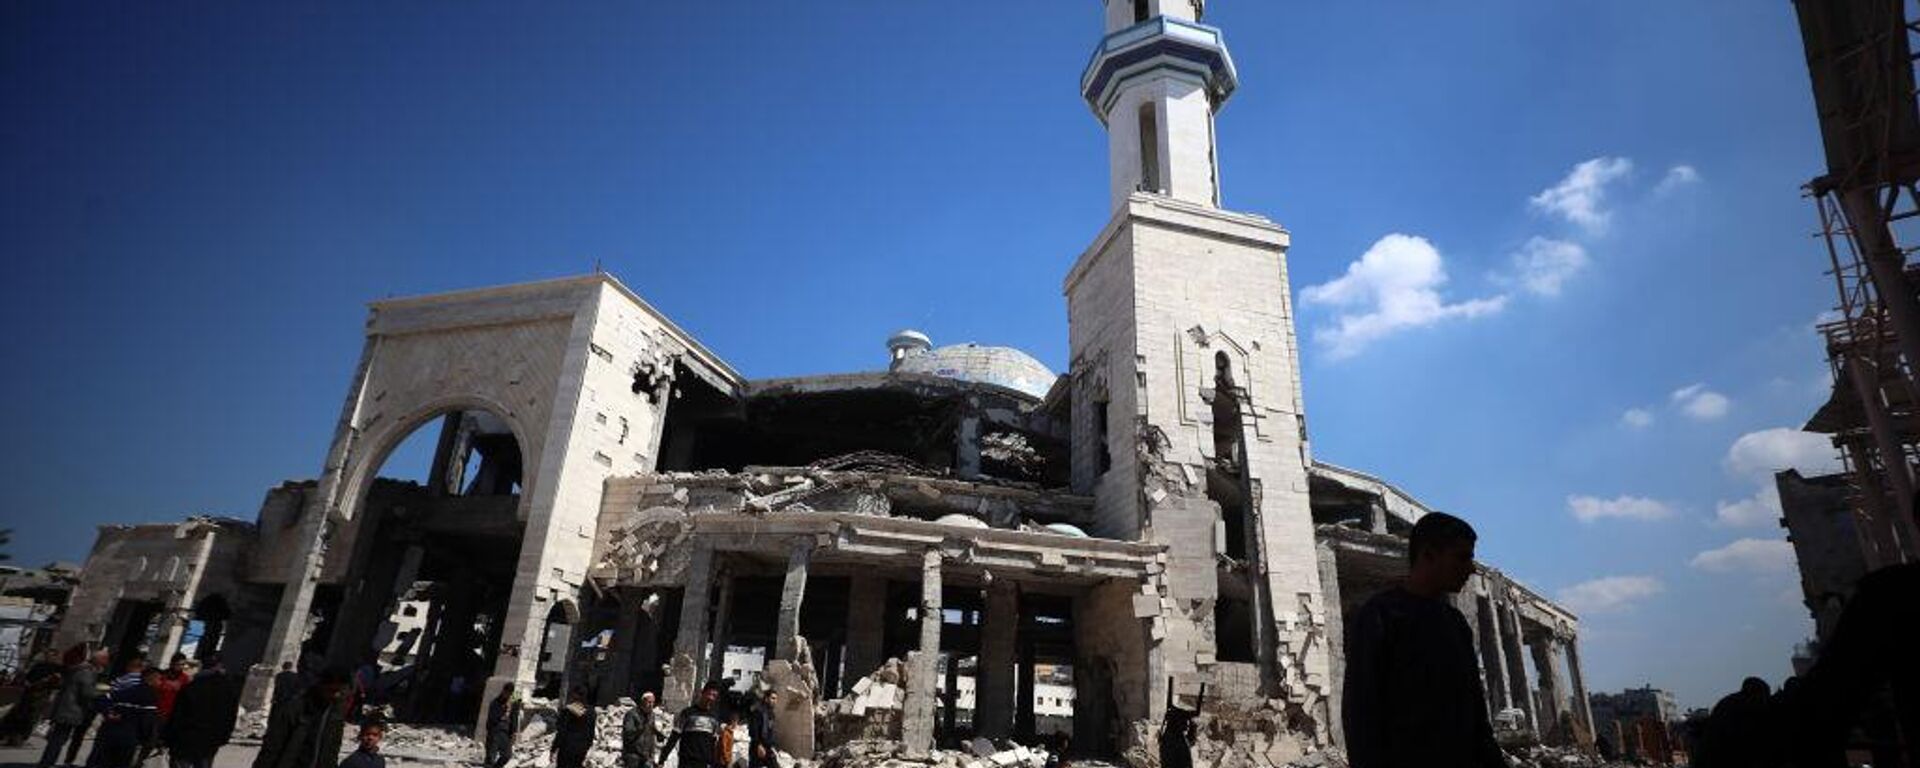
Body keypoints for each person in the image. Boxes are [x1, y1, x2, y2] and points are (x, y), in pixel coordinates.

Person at [1341, 512, 1506, 768]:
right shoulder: (1381, 616)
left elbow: (1475, 715)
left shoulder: (1456, 623)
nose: (1471, 568)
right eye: (1462, 557)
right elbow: (1360, 712)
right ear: (1428, 555)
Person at [254, 669, 350, 768]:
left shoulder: (336, 715)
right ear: (321, 686)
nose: (336, 695)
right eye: (332, 690)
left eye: (340, 691)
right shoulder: (295, 709)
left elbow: (332, 752)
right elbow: (271, 748)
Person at [162, 655, 242, 768]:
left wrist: (168, 737)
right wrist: (224, 737)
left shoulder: (192, 686)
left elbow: (178, 715)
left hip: (185, 738)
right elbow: (231, 716)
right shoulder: (229, 690)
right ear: (219, 666)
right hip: (210, 740)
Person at [39, 647, 106, 768]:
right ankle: (47, 763)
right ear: (99, 660)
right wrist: (103, 692)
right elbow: (87, 692)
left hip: (65, 708)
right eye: (105, 659)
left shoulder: (79, 669)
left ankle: (47, 762)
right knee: (58, 740)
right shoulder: (87, 672)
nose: (107, 662)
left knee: (57, 739)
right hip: (70, 710)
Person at [92, 667, 162, 768]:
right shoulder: (150, 696)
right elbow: (147, 722)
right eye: (159, 679)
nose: (160, 683)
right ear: (151, 679)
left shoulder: (127, 691)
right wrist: (150, 741)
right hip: (129, 739)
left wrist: (108, 713)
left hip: (108, 734)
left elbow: (101, 699)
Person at [2, 649, 64, 746]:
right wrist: (27, 682)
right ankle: (8, 735)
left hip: (42, 695)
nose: (49, 657)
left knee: (31, 717)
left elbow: (58, 684)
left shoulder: (58, 668)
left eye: (52, 655)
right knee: (18, 714)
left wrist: (52, 682)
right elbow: (28, 677)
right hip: (29, 693)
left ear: (56, 657)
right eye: (48, 655)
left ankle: (19, 738)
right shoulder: (39, 666)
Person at [661, 683, 726, 768]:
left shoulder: (714, 718)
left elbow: (713, 744)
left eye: (714, 696)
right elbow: (674, 736)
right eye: (709, 694)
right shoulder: (687, 713)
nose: (710, 698)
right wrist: (662, 759)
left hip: (704, 762)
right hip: (687, 761)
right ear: (702, 693)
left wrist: (713, 763)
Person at [550, 687, 595, 768]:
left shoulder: (568, 711)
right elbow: (591, 733)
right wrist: (587, 747)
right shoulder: (592, 712)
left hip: (567, 749)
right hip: (581, 750)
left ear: (574, 695)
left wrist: (554, 748)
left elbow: (561, 732)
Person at [619, 693, 663, 768]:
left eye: (653, 702)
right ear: (643, 702)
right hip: (633, 755)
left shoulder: (651, 715)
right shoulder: (632, 714)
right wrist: (641, 727)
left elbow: (651, 729)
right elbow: (628, 734)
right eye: (649, 702)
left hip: (646, 756)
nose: (651, 705)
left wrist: (658, 734)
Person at [484, 684, 519, 768]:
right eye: (507, 693)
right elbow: (492, 718)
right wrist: (504, 709)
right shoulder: (495, 702)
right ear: (503, 691)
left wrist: (514, 732)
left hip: (506, 733)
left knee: (507, 755)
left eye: (511, 694)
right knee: (491, 757)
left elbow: (514, 718)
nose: (508, 696)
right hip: (495, 732)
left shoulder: (513, 702)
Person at [154, 654, 192, 724]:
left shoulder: (185, 678)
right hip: (158, 711)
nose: (181, 667)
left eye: (183, 665)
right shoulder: (162, 675)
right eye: (178, 664)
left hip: (173, 713)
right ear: (172, 663)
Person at [745, 689, 779, 768]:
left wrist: (772, 745)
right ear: (766, 699)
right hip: (758, 747)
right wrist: (758, 745)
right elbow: (753, 730)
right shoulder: (758, 711)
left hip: (767, 747)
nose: (775, 701)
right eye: (773, 698)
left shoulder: (771, 714)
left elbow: (770, 731)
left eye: (776, 699)